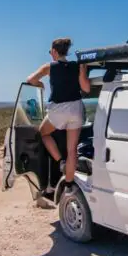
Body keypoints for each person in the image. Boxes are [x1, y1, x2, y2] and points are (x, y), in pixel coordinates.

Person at [26, 37, 90, 187]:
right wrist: (82, 71)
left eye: (50, 51)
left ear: (54, 51)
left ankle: (60, 160)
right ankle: (69, 184)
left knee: (43, 133)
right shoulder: (77, 66)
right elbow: (86, 89)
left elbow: (30, 80)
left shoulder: (49, 67)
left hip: (58, 111)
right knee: (72, 150)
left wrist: (40, 83)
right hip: (76, 109)